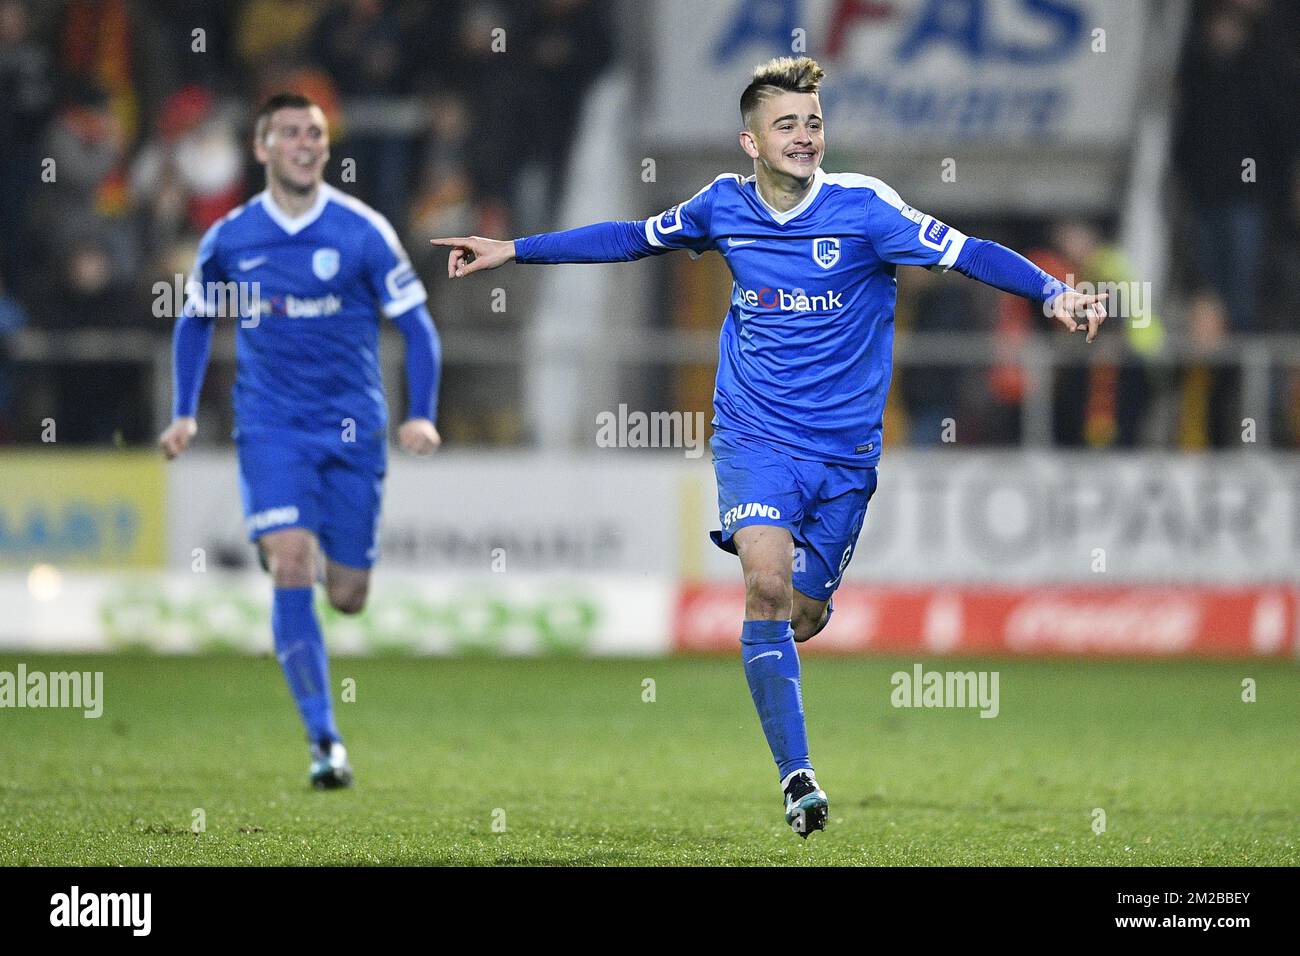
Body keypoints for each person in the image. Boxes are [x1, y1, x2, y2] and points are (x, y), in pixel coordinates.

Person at [432, 57, 1105, 837]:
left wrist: (1052, 291)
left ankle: (793, 646)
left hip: (846, 453)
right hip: (754, 435)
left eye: (813, 121)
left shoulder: (866, 209)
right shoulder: (721, 206)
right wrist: (513, 249)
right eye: (787, 124)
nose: (805, 135)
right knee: (765, 586)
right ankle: (797, 778)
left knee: (803, 614)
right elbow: (628, 238)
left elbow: (971, 251)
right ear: (750, 142)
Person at [159, 93, 442, 788]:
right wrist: (184, 412)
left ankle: (297, 561)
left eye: (315, 132)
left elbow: (417, 327)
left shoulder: (363, 231)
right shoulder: (230, 238)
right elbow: (195, 321)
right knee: (292, 561)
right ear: (261, 148)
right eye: (290, 132)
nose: (306, 143)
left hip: (353, 430)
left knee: (347, 594)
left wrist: (422, 413)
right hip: (271, 427)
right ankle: (325, 741)